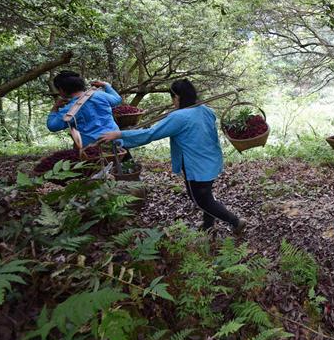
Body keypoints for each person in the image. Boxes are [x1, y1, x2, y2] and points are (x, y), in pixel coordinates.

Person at [99, 79, 246, 234]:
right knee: (206, 194)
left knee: (200, 199)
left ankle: (235, 222)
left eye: (172, 98)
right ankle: (208, 225)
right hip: (211, 160)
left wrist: (120, 135)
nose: (172, 102)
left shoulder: (179, 117)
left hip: (196, 164)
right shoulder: (205, 110)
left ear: (177, 97)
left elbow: (151, 134)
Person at [46, 71, 122, 147]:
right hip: (117, 142)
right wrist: (105, 85)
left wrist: (55, 108)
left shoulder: (69, 109)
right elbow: (117, 100)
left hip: (93, 149)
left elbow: (52, 126)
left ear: (61, 90)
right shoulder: (99, 95)